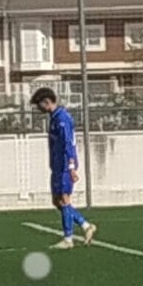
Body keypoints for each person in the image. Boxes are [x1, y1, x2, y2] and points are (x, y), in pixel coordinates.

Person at [29, 86, 96, 249]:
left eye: (39, 105)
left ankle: (68, 239)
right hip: (57, 165)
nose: (38, 109)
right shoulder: (54, 117)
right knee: (57, 202)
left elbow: (68, 143)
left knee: (64, 200)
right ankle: (86, 226)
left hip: (66, 165)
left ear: (47, 102)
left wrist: (71, 167)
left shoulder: (62, 118)